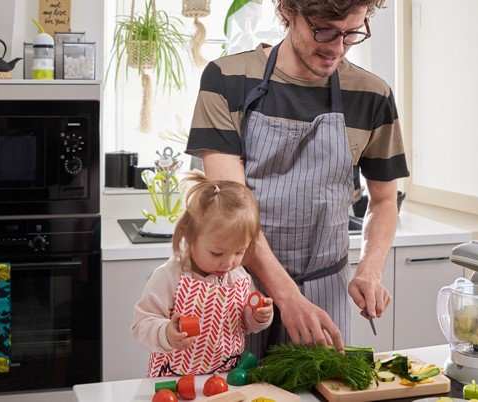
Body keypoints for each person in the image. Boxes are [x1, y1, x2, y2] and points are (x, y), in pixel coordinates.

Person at [185, 0, 408, 355]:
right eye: (325, 31)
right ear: (289, 11)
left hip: (325, 293)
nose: (337, 48)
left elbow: (383, 200)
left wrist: (370, 270)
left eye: (351, 33)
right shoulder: (227, 80)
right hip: (240, 289)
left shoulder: (372, 95)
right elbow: (232, 207)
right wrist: (287, 297)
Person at [131, 172, 274, 377]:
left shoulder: (240, 276)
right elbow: (141, 324)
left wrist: (258, 317)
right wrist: (167, 334)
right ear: (189, 237)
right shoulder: (170, 276)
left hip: (225, 377)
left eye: (239, 252)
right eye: (217, 253)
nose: (228, 262)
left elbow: (242, 324)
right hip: (174, 377)